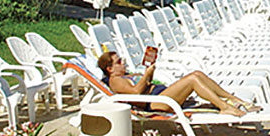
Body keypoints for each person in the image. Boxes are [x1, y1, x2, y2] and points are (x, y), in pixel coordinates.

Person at [97, 48, 260, 116]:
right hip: (157, 103)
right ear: (109, 69)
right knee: (193, 80)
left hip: (161, 96)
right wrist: (146, 75)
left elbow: (143, 86)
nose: (123, 63)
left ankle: (233, 99)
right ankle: (224, 107)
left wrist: (149, 74)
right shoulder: (115, 80)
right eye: (119, 62)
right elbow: (135, 93)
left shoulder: (125, 75)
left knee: (197, 74)